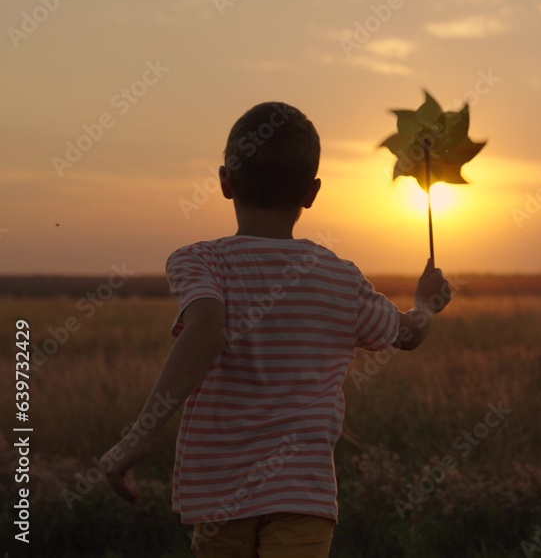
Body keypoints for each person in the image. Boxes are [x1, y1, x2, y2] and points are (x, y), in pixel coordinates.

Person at [99, 101, 451, 557]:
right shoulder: (339, 277)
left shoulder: (201, 260)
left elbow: (205, 329)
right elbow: (406, 335)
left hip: (219, 498)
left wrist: (138, 437)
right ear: (312, 192)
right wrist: (424, 305)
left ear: (225, 181)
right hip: (303, 497)